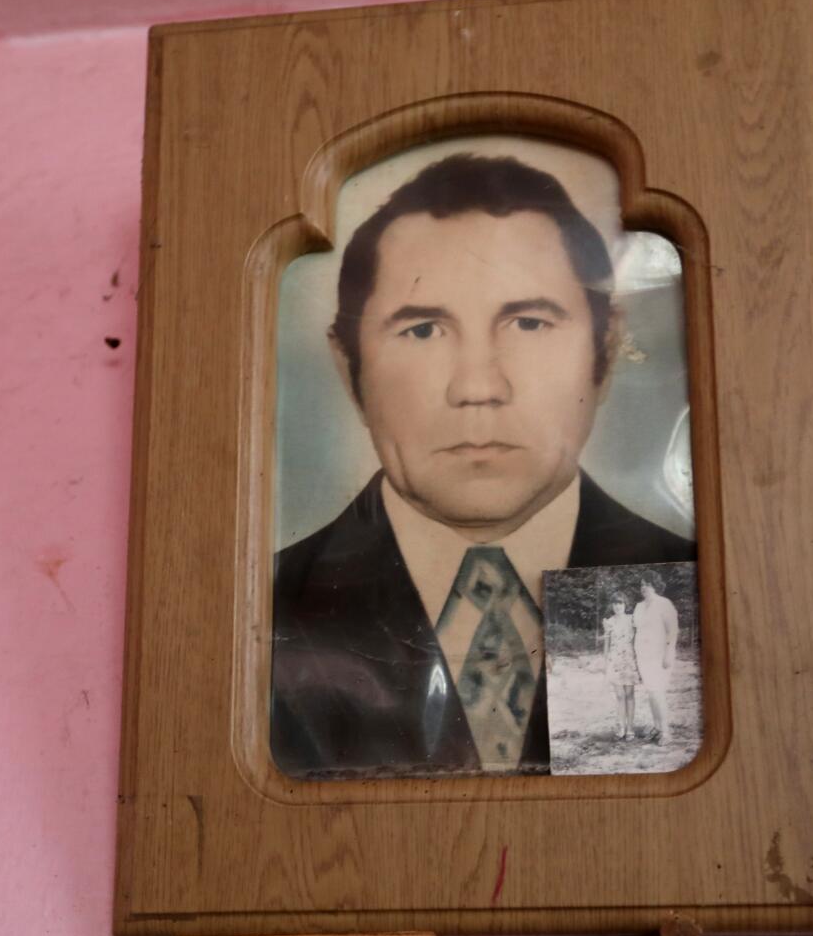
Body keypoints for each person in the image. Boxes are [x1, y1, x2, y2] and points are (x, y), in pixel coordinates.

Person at [271, 153, 694, 778]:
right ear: (348, 368)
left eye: (528, 322)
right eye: (422, 331)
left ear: (605, 351)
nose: (477, 386)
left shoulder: (698, 584)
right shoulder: (258, 610)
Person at [632, 574, 679, 741]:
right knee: (651, 692)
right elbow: (636, 630)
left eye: (647, 583)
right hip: (643, 655)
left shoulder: (664, 604)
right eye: (642, 584)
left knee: (657, 692)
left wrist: (668, 653)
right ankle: (657, 726)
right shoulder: (638, 606)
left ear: (655, 585)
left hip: (659, 655)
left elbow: (672, 631)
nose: (643, 587)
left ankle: (666, 732)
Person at [602, 590, 639, 741]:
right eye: (615, 603)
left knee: (629, 695)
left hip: (629, 660)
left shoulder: (632, 619)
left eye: (620, 603)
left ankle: (630, 728)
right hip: (615, 661)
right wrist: (606, 663)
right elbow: (606, 644)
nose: (618, 606)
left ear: (625, 605)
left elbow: (637, 641)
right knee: (619, 695)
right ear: (612, 606)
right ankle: (621, 727)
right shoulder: (608, 622)